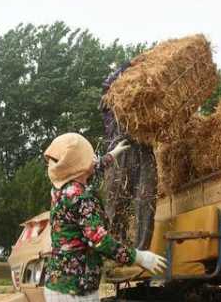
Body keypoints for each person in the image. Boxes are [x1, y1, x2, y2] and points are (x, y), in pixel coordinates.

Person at [43, 133, 166, 301]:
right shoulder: (81, 198)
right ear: (80, 165)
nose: (93, 158)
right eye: (89, 156)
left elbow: (89, 170)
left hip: (58, 284)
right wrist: (138, 257)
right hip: (75, 291)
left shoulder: (62, 189)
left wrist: (111, 155)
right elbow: (100, 241)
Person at [100, 60, 158, 249]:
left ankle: (142, 251)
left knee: (146, 201)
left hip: (144, 149)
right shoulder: (110, 93)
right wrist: (129, 65)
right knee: (116, 204)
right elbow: (108, 84)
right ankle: (117, 251)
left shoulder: (147, 98)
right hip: (120, 150)